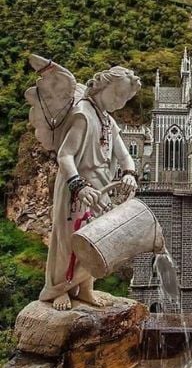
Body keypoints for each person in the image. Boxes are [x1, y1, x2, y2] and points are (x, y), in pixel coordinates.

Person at [42, 66, 141, 310]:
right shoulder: (82, 114)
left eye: (124, 99)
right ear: (103, 87)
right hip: (77, 188)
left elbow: (124, 154)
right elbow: (65, 156)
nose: (119, 103)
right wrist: (78, 185)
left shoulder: (108, 120)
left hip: (100, 188)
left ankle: (86, 287)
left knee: (94, 240)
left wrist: (129, 173)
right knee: (69, 238)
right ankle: (59, 289)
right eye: (117, 95)